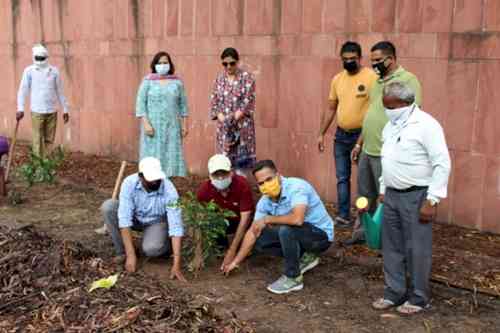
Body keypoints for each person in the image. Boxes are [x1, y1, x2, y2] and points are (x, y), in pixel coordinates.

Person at [372, 81, 451, 314]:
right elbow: (388, 158)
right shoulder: (391, 125)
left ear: (405, 103)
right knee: (392, 246)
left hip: (417, 196)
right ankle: (393, 292)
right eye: (384, 105)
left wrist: (433, 199)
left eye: (390, 106)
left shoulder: (426, 125)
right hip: (392, 196)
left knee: (417, 248)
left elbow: (442, 163)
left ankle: (418, 297)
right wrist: (383, 189)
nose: (387, 110)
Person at [347, 41, 422, 246]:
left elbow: (412, 114)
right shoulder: (378, 82)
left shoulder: (408, 80)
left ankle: (384, 238)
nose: (375, 65)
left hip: (387, 152)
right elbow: (371, 115)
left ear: (391, 58)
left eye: (378, 60)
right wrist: (358, 144)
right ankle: (362, 233)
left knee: (385, 198)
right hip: (367, 149)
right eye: (372, 61)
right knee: (364, 196)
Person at [223, 160, 334, 294]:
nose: (266, 185)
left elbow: (297, 219)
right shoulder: (265, 201)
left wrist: (268, 218)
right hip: (299, 234)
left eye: (269, 179)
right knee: (259, 237)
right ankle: (305, 256)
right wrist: (235, 262)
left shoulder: (296, 187)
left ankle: (293, 278)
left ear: (278, 176)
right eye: (261, 183)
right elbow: (253, 232)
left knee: (286, 230)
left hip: (320, 237)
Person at [318, 41, 377, 228]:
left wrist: (361, 141)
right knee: (342, 178)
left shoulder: (371, 78)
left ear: (360, 58)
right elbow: (330, 109)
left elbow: (375, 111)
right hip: (341, 136)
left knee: (364, 181)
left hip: (364, 136)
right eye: (345, 59)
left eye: (353, 59)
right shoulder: (337, 79)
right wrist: (321, 133)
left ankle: (365, 220)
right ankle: (343, 215)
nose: (349, 62)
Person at [101, 157, 186, 282]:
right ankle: (123, 251)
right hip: (136, 218)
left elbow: (176, 225)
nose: (155, 182)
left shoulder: (169, 189)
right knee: (109, 207)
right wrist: (131, 256)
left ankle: (166, 245)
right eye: (150, 179)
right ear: (140, 177)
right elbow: (124, 219)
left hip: (157, 222)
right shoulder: (129, 183)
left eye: (157, 179)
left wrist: (176, 264)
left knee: (152, 249)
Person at [196, 154, 254, 271]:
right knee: (210, 224)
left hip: (241, 223)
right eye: (216, 175)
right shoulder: (204, 191)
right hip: (221, 223)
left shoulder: (242, 185)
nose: (221, 178)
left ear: (231, 172)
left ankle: (235, 244)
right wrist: (198, 251)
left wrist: (232, 250)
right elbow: (199, 220)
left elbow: (245, 219)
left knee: (251, 247)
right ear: (210, 176)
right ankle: (222, 245)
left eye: (224, 173)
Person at [136, 51, 189, 177]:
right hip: (152, 129)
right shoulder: (148, 82)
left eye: (165, 62)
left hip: (171, 128)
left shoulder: (177, 83)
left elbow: (183, 106)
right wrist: (146, 124)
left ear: (170, 65)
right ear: (154, 65)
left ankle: (167, 188)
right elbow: (140, 104)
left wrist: (184, 125)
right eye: (159, 63)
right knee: (152, 161)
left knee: (170, 159)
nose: (162, 65)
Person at [209, 47, 256, 177]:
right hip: (223, 127)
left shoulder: (247, 78)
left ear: (237, 61)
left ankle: (241, 189)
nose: (228, 66)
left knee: (241, 166)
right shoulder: (219, 79)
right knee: (224, 163)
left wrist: (234, 118)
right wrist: (223, 118)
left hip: (242, 126)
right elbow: (214, 102)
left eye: (232, 63)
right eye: (225, 64)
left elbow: (248, 100)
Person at [16, 44, 69, 158]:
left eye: (42, 58)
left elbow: (60, 91)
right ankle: (38, 164)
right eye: (38, 58)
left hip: (51, 111)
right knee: (37, 140)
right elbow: (23, 90)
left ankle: (46, 165)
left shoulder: (54, 71)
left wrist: (65, 109)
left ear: (46, 57)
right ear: (34, 57)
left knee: (49, 140)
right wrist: (20, 108)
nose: (39, 61)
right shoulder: (29, 71)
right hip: (37, 111)